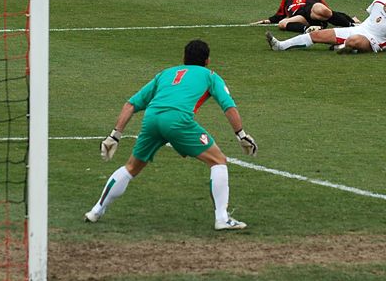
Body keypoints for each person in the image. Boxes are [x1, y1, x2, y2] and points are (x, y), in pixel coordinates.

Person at [84, 39, 258, 231]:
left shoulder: (165, 74)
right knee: (218, 161)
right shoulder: (210, 76)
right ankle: (222, 218)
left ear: (183, 58)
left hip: (151, 119)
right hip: (178, 121)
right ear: (208, 60)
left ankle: (96, 210)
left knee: (132, 167)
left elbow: (131, 104)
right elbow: (228, 106)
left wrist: (114, 136)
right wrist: (241, 134)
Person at [265, 0, 386, 54]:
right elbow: (371, 16)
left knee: (355, 40)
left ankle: (347, 47)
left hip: (372, 41)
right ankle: (280, 46)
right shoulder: (378, 2)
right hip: (358, 29)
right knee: (317, 35)